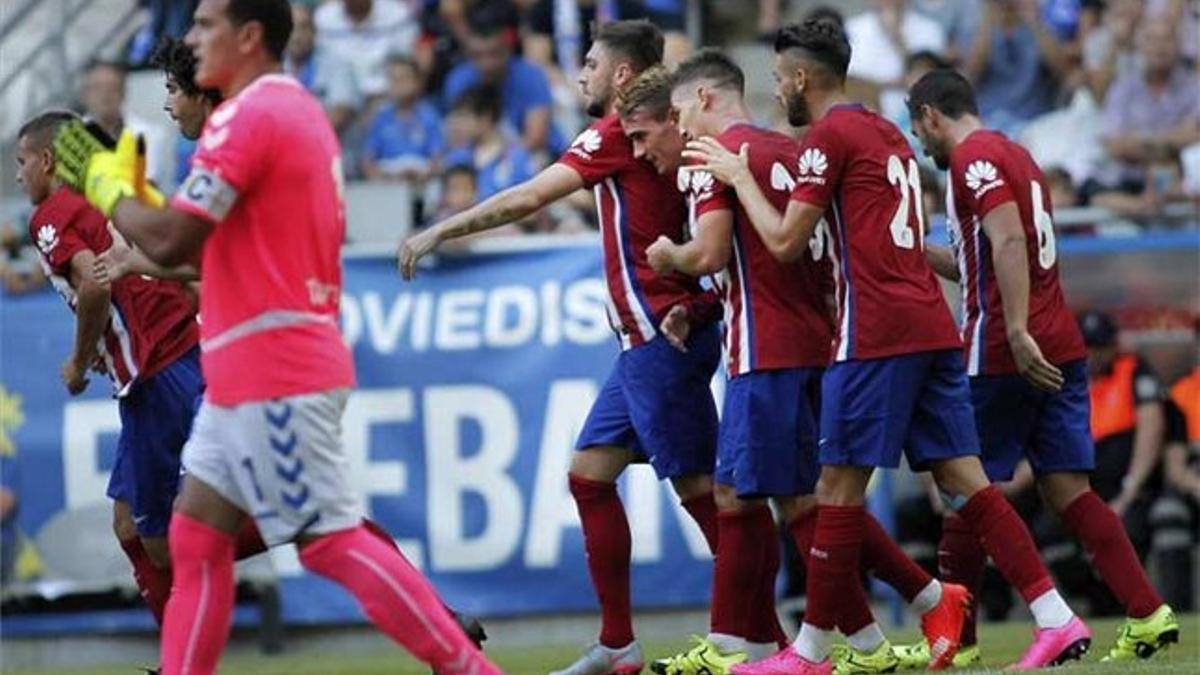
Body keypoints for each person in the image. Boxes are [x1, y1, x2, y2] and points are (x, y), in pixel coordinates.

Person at [52, 2, 498, 673]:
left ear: (249, 36)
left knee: (327, 541)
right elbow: (205, 248)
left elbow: (176, 239)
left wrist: (106, 183)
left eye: (206, 24)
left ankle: (468, 666)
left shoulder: (250, 116)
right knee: (195, 542)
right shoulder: (280, 110)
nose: (193, 37)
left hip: (273, 366)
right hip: (243, 369)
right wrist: (133, 193)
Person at [684, 19, 1088, 674]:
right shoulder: (883, 129)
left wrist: (739, 175)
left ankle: (813, 650)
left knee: (835, 488)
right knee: (968, 481)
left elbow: (785, 242)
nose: (779, 88)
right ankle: (1056, 617)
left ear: (802, 78)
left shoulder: (829, 136)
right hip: (930, 323)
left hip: (874, 331)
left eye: (782, 77)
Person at [622, 52, 969, 675]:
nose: (673, 134)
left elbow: (711, 252)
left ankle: (735, 642)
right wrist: (703, 310)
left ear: (703, 98)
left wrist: (669, 258)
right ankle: (881, 633)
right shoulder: (789, 151)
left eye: (674, 116)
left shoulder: (713, 158)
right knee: (809, 501)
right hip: (820, 341)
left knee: (740, 494)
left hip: (765, 351)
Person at [401, 19, 723, 675]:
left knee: (713, 500)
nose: (581, 74)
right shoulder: (646, 134)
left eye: (593, 63)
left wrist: (442, 229)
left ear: (623, 76)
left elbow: (527, 196)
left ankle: (765, 635)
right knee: (590, 475)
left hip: (664, 335)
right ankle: (619, 643)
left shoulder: (613, 136)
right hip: (650, 339)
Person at [905, 67, 1179, 666]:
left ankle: (958, 638)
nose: (920, 142)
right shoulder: (1019, 156)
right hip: (1061, 341)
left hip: (1006, 347)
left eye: (917, 128)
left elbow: (1006, 241)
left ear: (931, 115)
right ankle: (1147, 610)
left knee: (961, 483)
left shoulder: (971, 160)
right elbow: (987, 256)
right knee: (1069, 490)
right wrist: (916, 252)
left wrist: (1015, 328)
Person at [17, 109, 204, 629]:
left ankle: (294, 525)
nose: (17, 175)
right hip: (182, 345)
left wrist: (78, 362)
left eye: (22, 161)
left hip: (153, 371)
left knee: (159, 543)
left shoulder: (50, 214)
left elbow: (95, 284)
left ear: (48, 160)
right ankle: (178, 659)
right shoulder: (112, 195)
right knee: (126, 523)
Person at [441, 15, 564, 155]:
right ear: (468, 54)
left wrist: (494, 159)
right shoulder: (458, 79)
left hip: (535, 157)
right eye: (477, 55)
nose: (486, 64)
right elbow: (456, 137)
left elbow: (536, 139)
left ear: (507, 50)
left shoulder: (531, 76)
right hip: (480, 157)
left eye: (493, 54)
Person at [442, 86, 537, 200]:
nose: (460, 125)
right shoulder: (457, 157)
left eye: (466, 117)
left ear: (485, 118)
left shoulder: (517, 158)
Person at [361, 55, 443, 182]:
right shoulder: (381, 118)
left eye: (403, 78)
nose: (398, 84)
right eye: (393, 79)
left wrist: (425, 174)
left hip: (422, 184)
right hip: (387, 184)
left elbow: (438, 159)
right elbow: (368, 161)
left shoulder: (430, 116)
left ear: (418, 82)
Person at [314, 0, 419, 99]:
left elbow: (407, 58)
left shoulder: (396, 14)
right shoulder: (323, 18)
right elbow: (321, 64)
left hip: (385, 91)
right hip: (339, 94)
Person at [285, 3, 362, 135]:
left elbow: (340, 113)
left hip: (329, 148)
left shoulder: (337, 65)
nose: (296, 35)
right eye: (290, 28)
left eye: (303, 27)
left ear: (314, 31)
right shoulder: (273, 66)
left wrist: (297, 140)